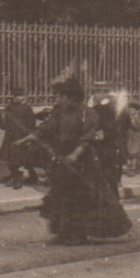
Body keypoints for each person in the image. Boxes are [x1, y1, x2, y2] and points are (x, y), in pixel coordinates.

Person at [31, 77, 132, 244]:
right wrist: (30, 137)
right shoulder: (60, 111)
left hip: (84, 160)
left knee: (82, 197)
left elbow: (87, 137)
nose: (59, 99)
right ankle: (65, 232)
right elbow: (48, 127)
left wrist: (75, 155)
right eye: (59, 96)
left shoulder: (87, 112)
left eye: (62, 96)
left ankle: (79, 234)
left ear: (73, 97)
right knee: (63, 195)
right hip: (64, 157)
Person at [0, 91, 39, 187]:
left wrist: (28, 138)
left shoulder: (27, 108)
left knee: (20, 159)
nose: (17, 97)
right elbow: (5, 121)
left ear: (24, 96)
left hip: (22, 137)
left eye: (19, 95)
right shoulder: (10, 107)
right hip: (10, 136)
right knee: (9, 157)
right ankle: (13, 177)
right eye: (15, 95)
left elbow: (31, 125)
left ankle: (19, 179)